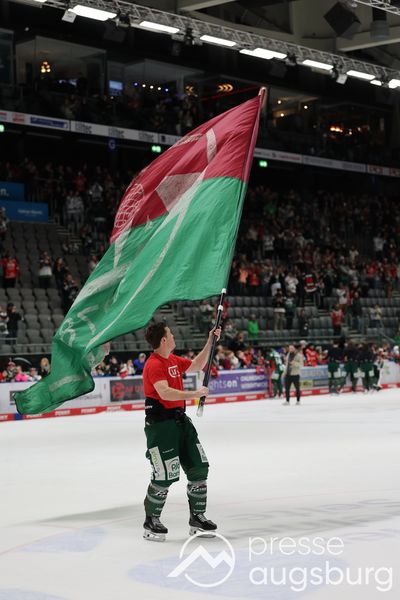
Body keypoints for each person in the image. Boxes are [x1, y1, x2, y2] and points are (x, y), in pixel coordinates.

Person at [142, 320, 221, 541]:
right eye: (171, 334)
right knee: (165, 473)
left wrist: (210, 341)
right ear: (163, 340)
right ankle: (151, 520)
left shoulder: (173, 360)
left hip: (180, 421)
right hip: (161, 426)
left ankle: (197, 517)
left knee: (198, 466)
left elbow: (197, 364)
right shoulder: (154, 364)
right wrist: (194, 394)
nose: (174, 337)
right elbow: (164, 393)